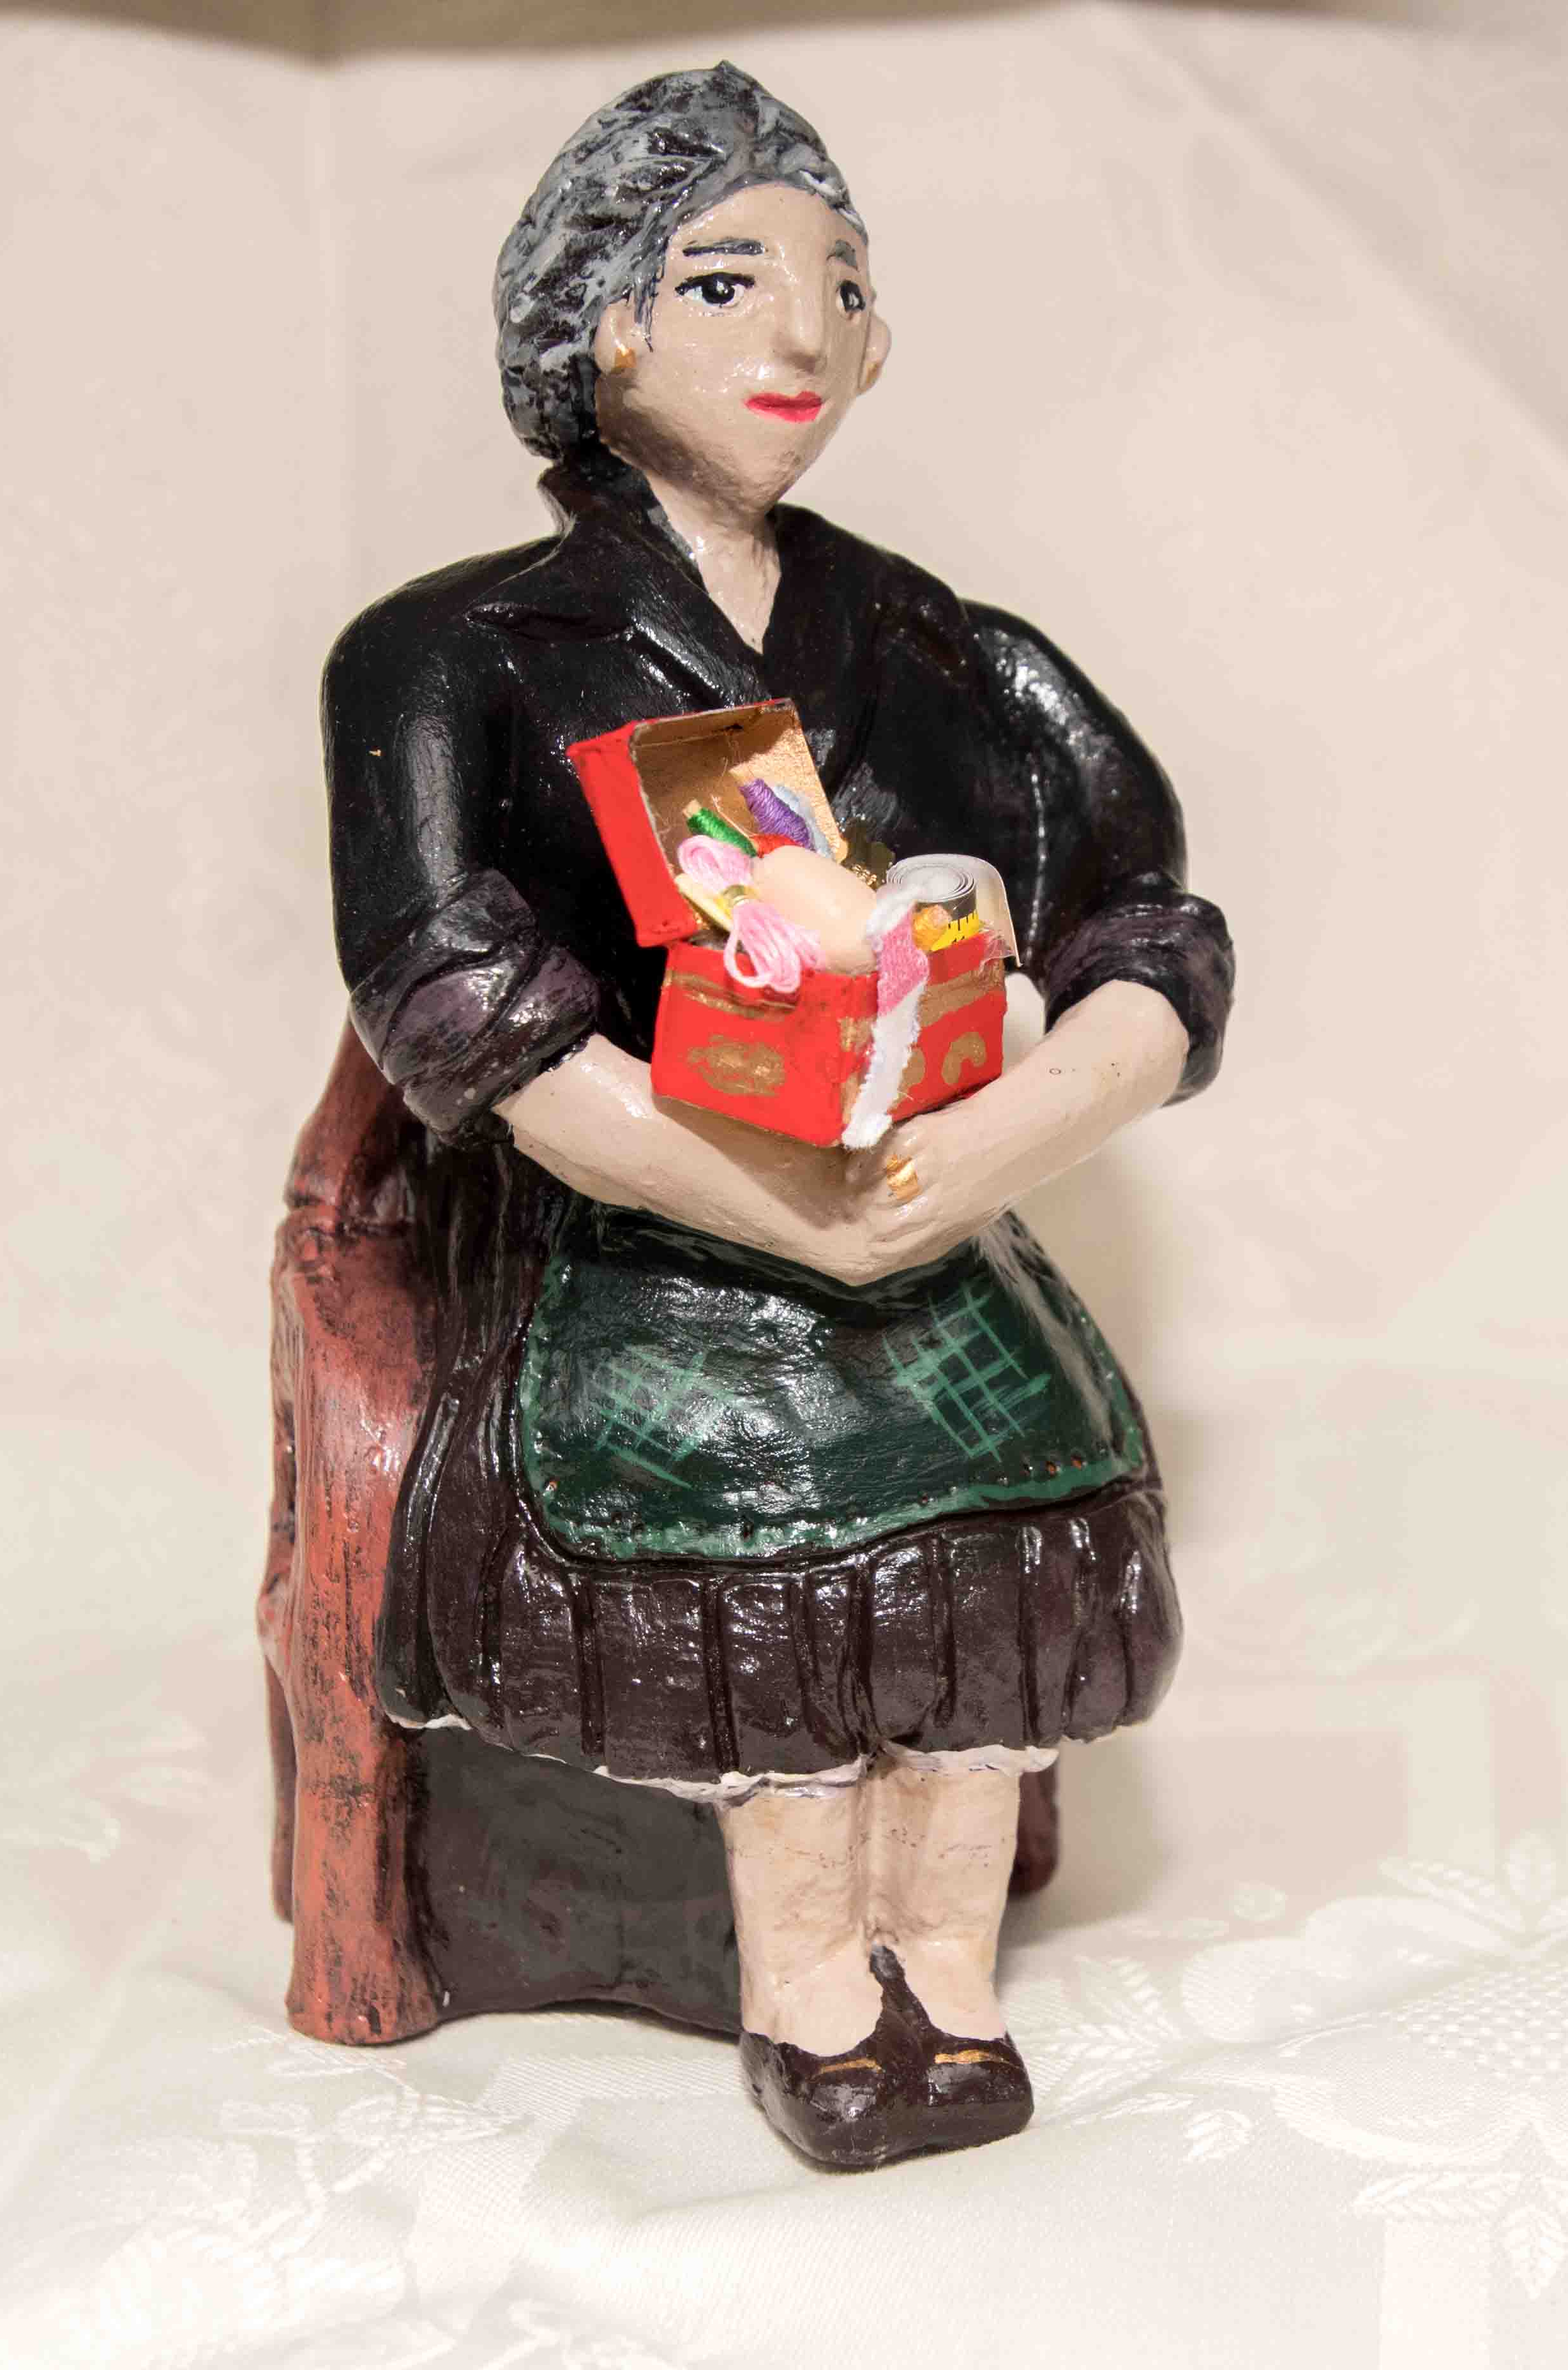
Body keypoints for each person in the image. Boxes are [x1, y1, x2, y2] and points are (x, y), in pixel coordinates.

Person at [323, 61, 1233, 2167]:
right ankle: (810, 1986)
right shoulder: (448, 653)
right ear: (600, 324)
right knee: (770, 1555)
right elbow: (457, 997)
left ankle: (950, 1972)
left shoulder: (951, 650)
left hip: (928, 1202)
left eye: (843, 284)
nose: (802, 333)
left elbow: (1152, 927)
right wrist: (767, 1207)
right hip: (635, 1224)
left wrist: (998, 1147)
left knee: (1006, 1514)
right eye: (727, 281)